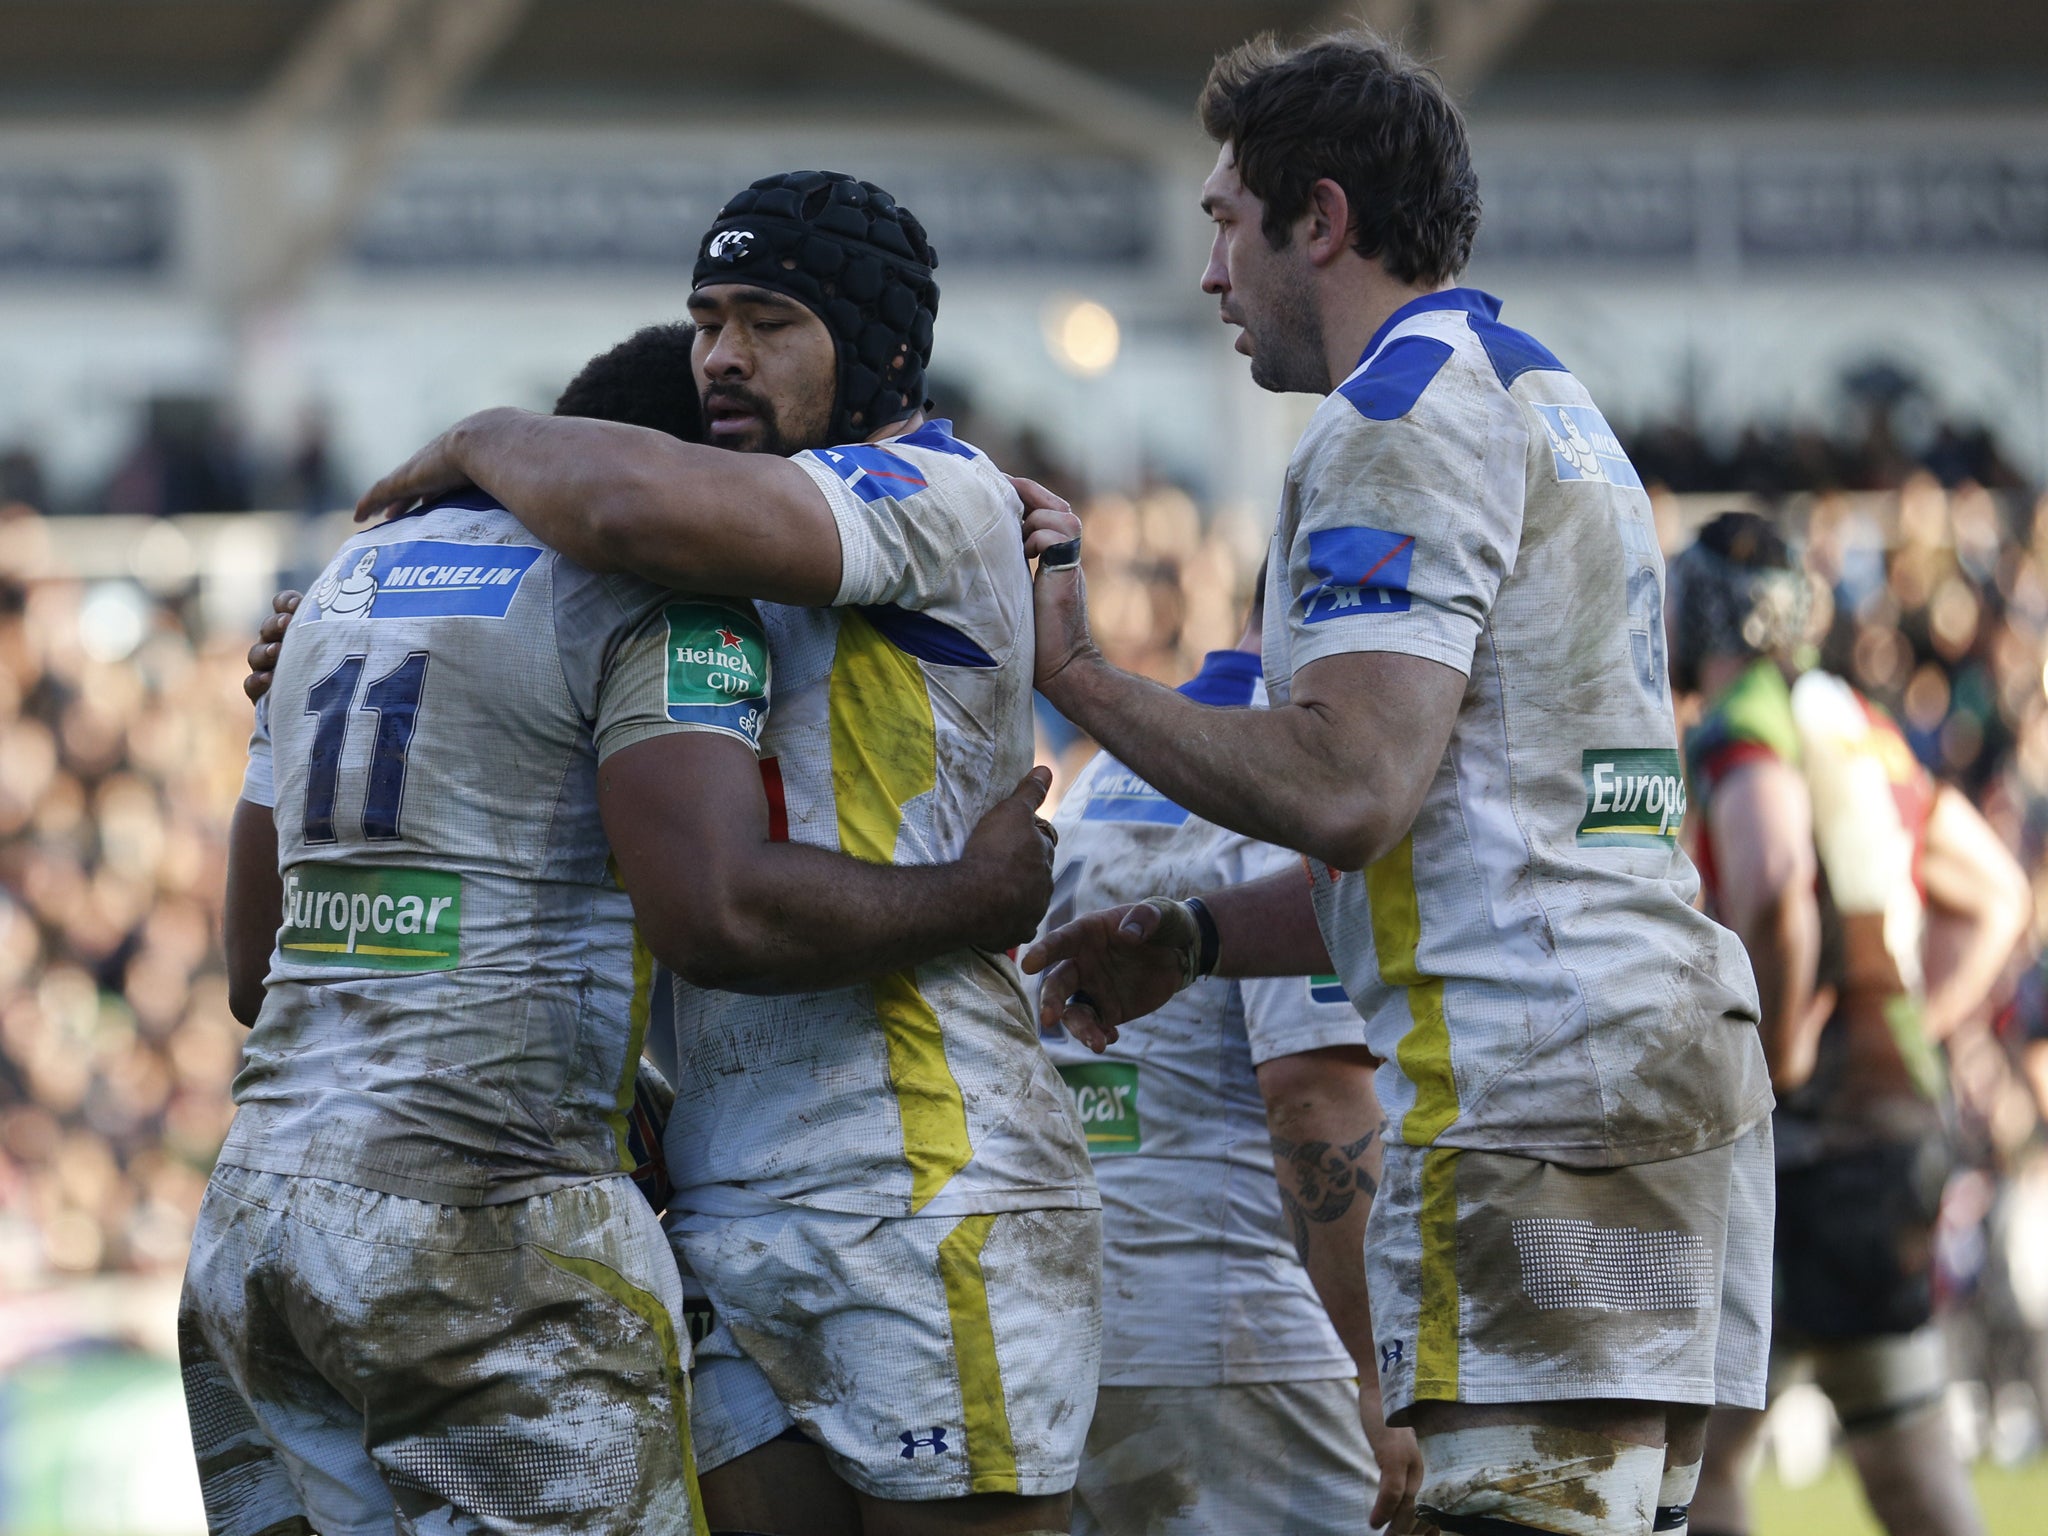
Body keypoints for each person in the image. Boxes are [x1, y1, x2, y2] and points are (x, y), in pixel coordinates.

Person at [1022, 35, 1771, 1536]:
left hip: (1543, 1105)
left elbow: (1350, 784)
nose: (1214, 277)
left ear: (1324, 217)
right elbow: (1460, 829)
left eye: (1228, 225)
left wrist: (1079, 673)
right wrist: (1200, 938)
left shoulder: (1390, 419)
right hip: (1645, 1071)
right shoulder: (1533, 388)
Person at [199, 322, 1060, 1536]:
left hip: (253, 1226)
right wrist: (978, 896)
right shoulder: (653, 591)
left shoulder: (338, 596)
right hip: (486, 1228)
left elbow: (254, 967)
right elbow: (715, 911)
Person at [1670, 512, 2027, 1536]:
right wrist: (1908, 1013)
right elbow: (1995, 895)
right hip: (1888, 1141)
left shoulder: (1744, 723)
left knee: (1701, 1461)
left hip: (1805, 1152)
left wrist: (1776, 1053)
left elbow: (1774, 876)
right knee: (1905, 1457)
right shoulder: (1855, 725)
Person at [1033, 573, 1400, 1536]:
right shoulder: (1291, 774)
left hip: (1082, 1334)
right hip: (1246, 1348)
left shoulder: (1111, 767)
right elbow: (1316, 1098)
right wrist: (1378, 1380)